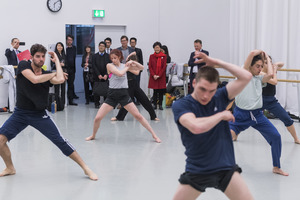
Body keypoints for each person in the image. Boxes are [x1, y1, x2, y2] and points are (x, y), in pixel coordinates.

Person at [0, 44, 98, 180]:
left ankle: (86, 168)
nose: (41, 59)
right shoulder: (23, 65)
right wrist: (55, 73)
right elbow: (34, 79)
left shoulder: (46, 74)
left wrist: (57, 60)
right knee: (0, 140)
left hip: (39, 115)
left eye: (43, 57)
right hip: (20, 113)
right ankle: (10, 168)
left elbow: (61, 79)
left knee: (60, 141)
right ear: (32, 57)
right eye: (38, 56)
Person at [172, 52, 253, 200]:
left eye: (211, 91)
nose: (206, 96)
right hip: (197, 170)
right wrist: (222, 115)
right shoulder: (181, 105)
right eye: (202, 89)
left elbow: (246, 77)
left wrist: (217, 62)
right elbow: (196, 127)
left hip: (225, 168)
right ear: (194, 83)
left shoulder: (220, 96)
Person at [230, 50, 288, 176]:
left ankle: (276, 167)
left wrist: (267, 57)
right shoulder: (243, 74)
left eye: (262, 66)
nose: (260, 68)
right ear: (250, 65)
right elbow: (251, 53)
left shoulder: (259, 78)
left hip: (257, 115)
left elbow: (271, 76)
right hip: (240, 115)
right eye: (257, 66)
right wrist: (260, 52)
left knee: (276, 137)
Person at [85, 49, 161, 143]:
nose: (113, 60)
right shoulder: (109, 66)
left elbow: (141, 69)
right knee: (97, 118)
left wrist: (132, 62)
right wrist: (127, 66)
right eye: (112, 58)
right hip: (112, 95)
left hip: (124, 94)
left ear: (120, 57)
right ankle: (93, 135)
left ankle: (154, 135)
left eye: (115, 58)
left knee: (138, 116)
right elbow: (120, 73)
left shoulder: (124, 66)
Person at [261, 57, 300, 144]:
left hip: (272, 101)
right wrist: (274, 70)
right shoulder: (261, 73)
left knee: (287, 118)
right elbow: (274, 82)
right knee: (247, 118)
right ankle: (235, 134)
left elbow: (282, 64)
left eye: (270, 62)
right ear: (261, 64)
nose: (269, 64)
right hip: (260, 100)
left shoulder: (271, 70)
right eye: (266, 62)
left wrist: (275, 65)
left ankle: (296, 138)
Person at [111, 52, 159, 121]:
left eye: (135, 62)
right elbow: (133, 70)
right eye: (133, 62)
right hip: (128, 85)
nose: (134, 63)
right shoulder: (126, 65)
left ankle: (153, 116)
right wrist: (129, 61)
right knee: (127, 102)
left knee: (145, 100)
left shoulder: (135, 66)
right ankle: (119, 117)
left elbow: (137, 72)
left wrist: (131, 60)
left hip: (134, 85)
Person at [148, 41, 167, 110]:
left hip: (161, 77)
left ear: (160, 48)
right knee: (155, 91)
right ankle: (155, 105)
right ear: (154, 48)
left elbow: (164, 67)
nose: (157, 49)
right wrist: (153, 75)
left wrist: (159, 75)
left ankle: (160, 105)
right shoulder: (151, 56)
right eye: (156, 47)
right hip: (154, 77)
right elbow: (150, 66)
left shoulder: (164, 56)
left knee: (161, 91)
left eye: (158, 47)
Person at [92, 41, 111, 108]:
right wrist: (98, 74)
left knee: (106, 90)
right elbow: (94, 66)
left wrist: (106, 74)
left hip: (105, 76)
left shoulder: (108, 56)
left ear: (105, 47)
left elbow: (109, 66)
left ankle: (105, 104)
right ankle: (97, 103)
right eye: (100, 46)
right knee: (96, 90)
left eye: (103, 46)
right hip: (97, 76)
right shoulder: (94, 56)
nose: (101, 47)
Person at [51, 42, 67, 110]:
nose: (60, 47)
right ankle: (57, 104)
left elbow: (67, 63)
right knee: (57, 90)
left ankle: (62, 104)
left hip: (64, 72)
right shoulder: (54, 55)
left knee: (63, 89)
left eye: (61, 46)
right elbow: (52, 64)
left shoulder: (64, 55)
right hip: (56, 73)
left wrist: (63, 65)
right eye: (58, 46)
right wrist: (57, 64)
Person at [66, 35, 78, 105]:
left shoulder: (74, 48)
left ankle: (71, 100)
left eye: (71, 40)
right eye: (68, 40)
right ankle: (65, 100)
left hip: (72, 69)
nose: (69, 41)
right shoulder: (64, 48)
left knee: (71, 85)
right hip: (65, 69)